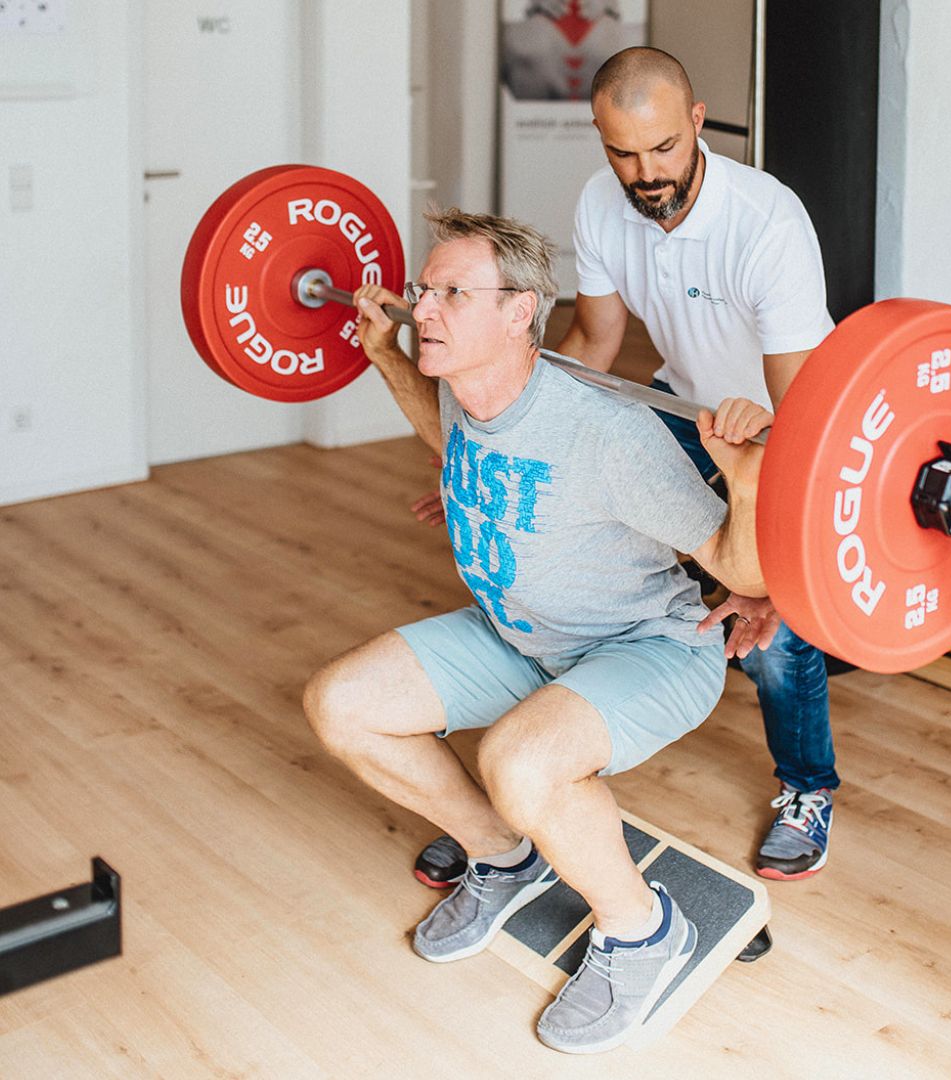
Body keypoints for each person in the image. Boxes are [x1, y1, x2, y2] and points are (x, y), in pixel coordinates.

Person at [303, 207, 777, 1054]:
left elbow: (744, 574)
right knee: (342, 704)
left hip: (649, 647)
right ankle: (502, 858)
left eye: (453, 292)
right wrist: (383, 354)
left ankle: (642, 932)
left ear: (521, 312)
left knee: (518, 761)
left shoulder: (607, 431)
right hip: (521, 634)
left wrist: (745, 478)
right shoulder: (472, 390)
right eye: (423, 290)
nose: (426, 308)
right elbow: (447, 438)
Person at [414, 47, 839, 887]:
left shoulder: (768, 223)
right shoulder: (601, 207)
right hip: (683, 406)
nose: (645, 173)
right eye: (622, 153)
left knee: (769, 630)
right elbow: (591, 349)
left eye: (663, 149)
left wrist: (772, 577)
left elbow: (806, 414)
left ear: (697, 122)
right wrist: (503, 444)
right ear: (600, 140)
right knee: (577, 536)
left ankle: (807, 788)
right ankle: (544, 769)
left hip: (779, 426)